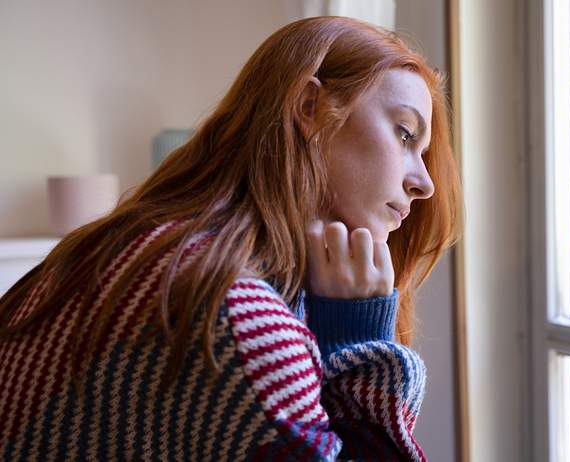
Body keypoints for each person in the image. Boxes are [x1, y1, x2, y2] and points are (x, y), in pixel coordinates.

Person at [0, 15, 462, 462]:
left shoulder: (120, 252)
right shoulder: (238, 318)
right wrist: (362, 341)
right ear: (309, 108)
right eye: (404, 134)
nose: (425, 184)